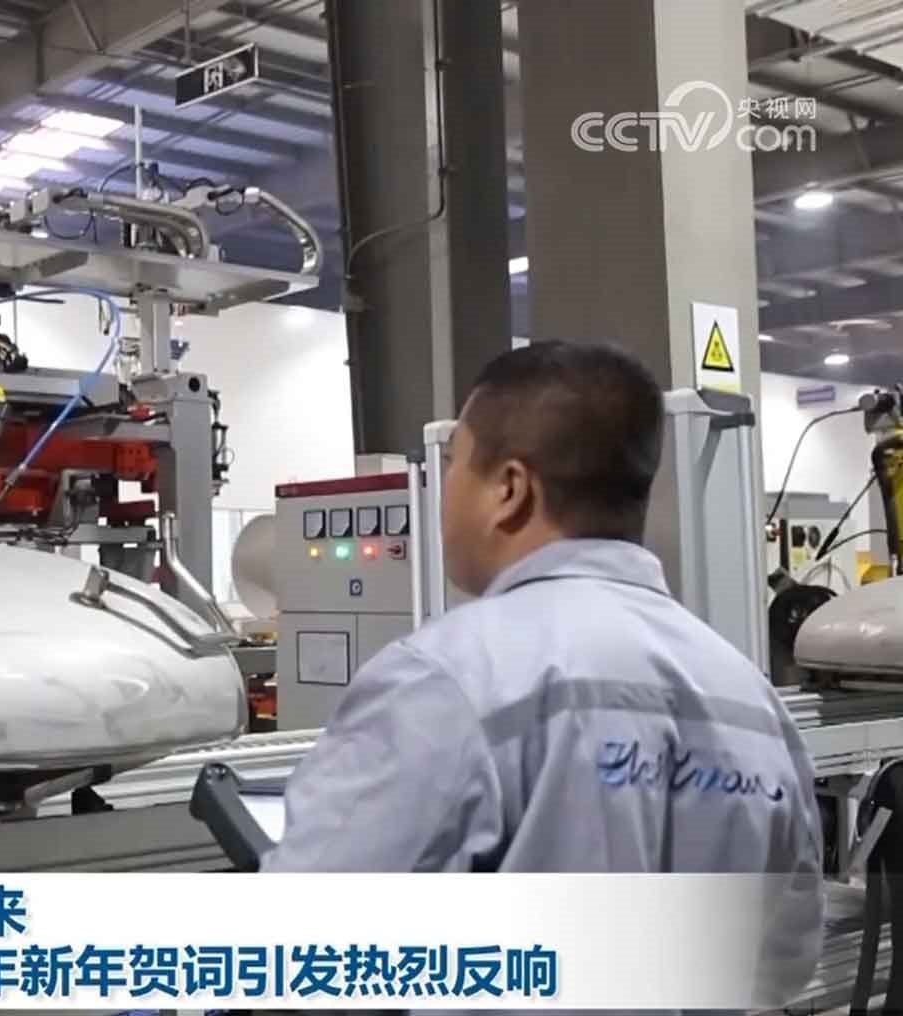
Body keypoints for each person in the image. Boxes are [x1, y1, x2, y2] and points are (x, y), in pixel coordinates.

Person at [263, 342, 823, 995]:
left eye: (454, 463)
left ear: (508, 489)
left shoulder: (445, 681)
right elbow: (781, 964)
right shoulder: (750, 700)